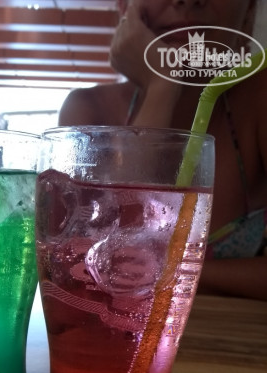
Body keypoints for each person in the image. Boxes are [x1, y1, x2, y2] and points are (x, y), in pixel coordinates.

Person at [58, 0, 267, 301]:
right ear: (125, 6)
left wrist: (165, 271)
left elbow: (118, 267)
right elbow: (80, 268)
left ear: (249, 12)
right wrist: (161, 88)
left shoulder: (259, 100)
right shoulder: (88, 112)